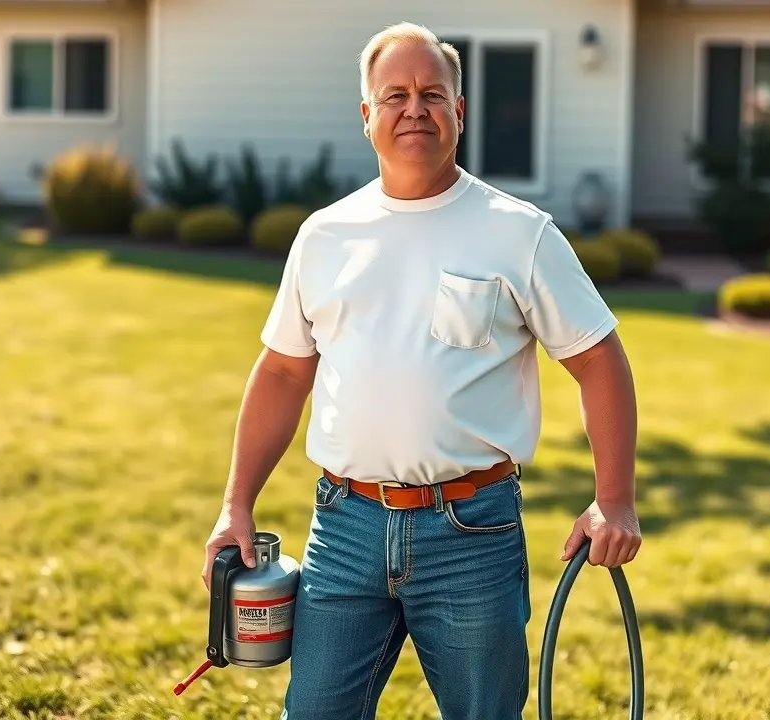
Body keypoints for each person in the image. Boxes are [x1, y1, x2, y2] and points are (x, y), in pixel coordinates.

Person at [201, 20, 642, 720]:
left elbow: (600, 361)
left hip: (471, 533)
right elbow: (284, 374)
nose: (416, 108)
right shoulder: (324, 236)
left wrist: (613, 498)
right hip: (343, 529)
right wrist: (236, 505)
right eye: (396, 93)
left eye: (433, 93)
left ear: (459, 113)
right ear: (367, 114)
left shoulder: (518, 232)